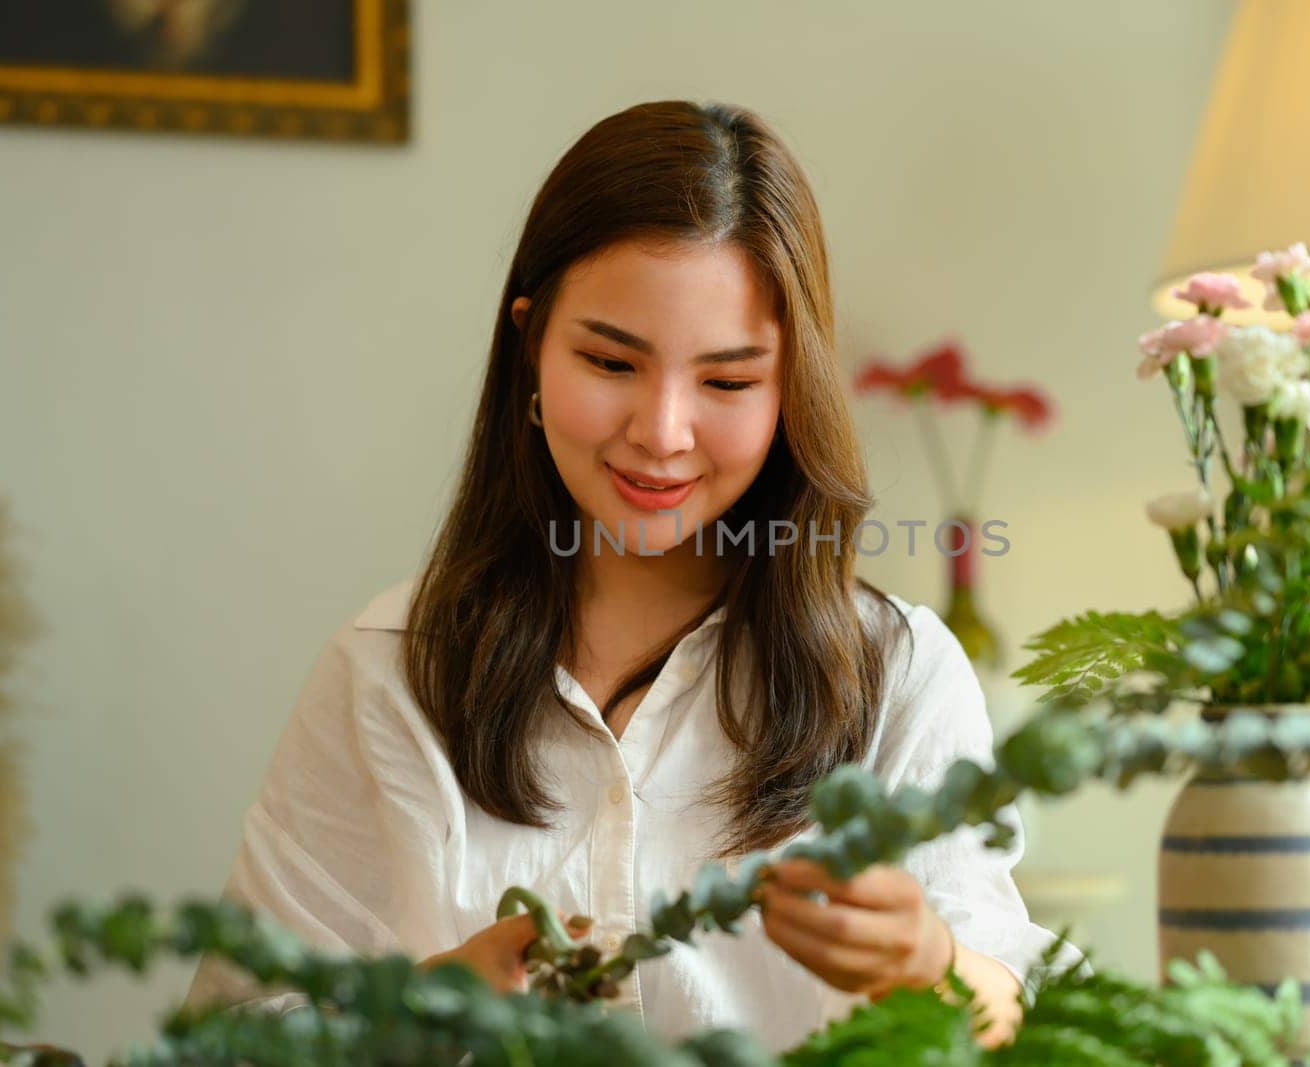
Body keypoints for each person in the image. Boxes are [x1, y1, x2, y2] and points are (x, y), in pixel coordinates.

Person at [184, 100, 1073, 1050]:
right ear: (530, 342)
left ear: (790, 389)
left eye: (728, 382)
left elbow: (1021, 1015)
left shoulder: (895, 674)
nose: (661, 432)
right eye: (611, 360)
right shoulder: (389, 671)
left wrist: (932, 965)